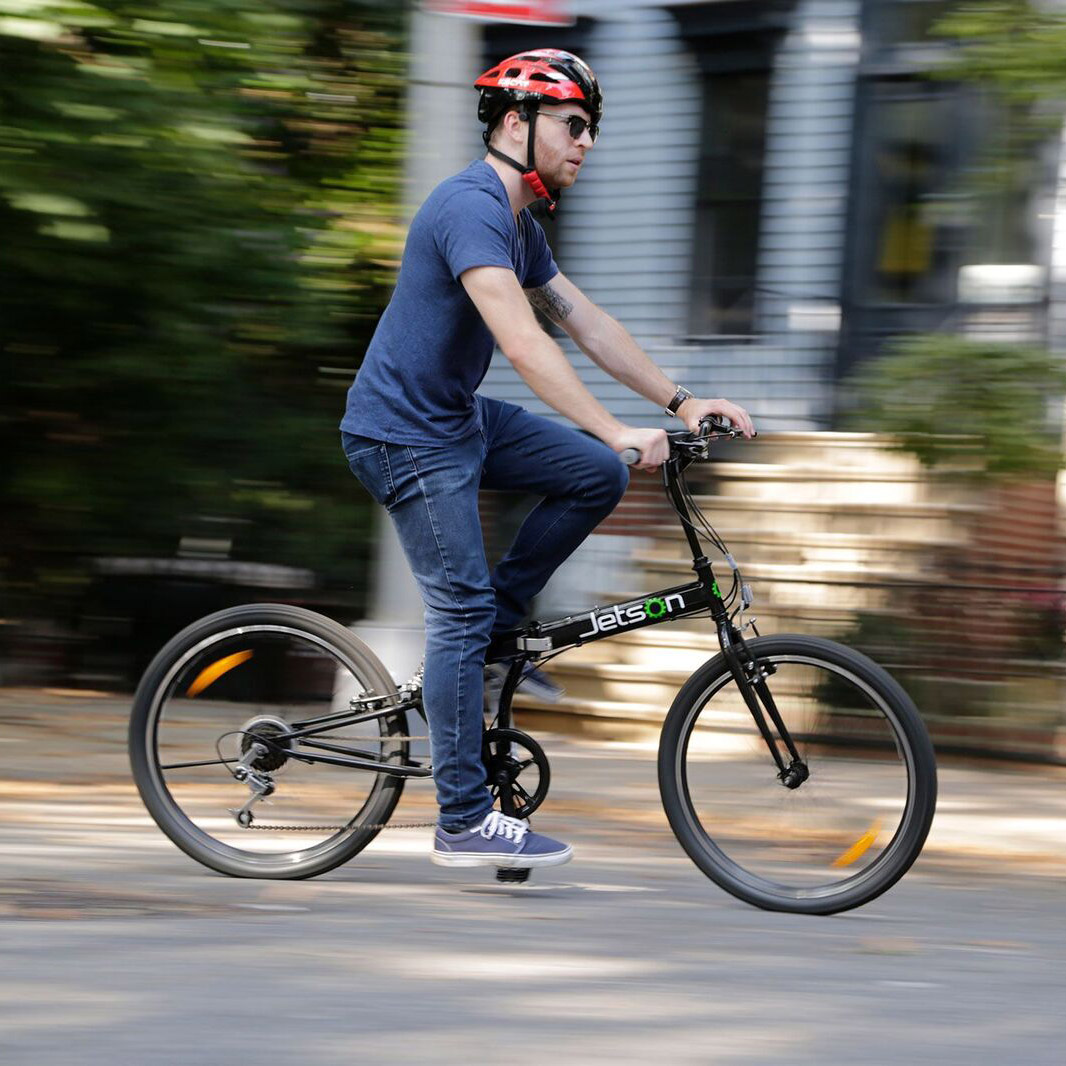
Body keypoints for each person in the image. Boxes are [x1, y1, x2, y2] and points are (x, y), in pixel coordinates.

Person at [341, 48, 754, 872]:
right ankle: (462, 819)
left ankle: (495, 635)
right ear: (514, 123)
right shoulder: (469, 208)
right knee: (458, 609)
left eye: (591, 128)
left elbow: (584, 321)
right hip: (403, 435)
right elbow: (525, 343)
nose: (586, 141)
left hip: (455, 420)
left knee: (593, 475)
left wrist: (679, 402)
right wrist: (612, 426)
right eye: (573, 124)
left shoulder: (519, 224)